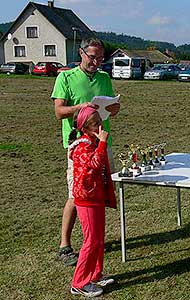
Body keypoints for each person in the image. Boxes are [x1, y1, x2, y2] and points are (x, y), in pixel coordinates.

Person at [52, 37, 120, 266]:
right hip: (79, 145)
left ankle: (93, 238)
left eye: (100, 58)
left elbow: (113, 108)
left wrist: (114, 106)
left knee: (99, 191)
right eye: (92, 57)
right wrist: (80, 107)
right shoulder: (66, 77)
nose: (96, 62)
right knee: (76, 194)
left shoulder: (104, 77)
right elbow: (59, 111)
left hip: (101, 141)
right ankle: (65, 245)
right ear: (81, 53)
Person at [69, 107, 116, 297]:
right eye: (96, 123)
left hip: (95, 196)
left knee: (98, 240)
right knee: (91, 241)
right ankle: (79, 282)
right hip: (86, 199)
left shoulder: (92, 142)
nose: (100, 126)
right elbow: (95, 164)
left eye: (100, 121)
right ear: (85, 128)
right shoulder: (82, 146)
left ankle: (95, 274)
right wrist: (103, 143)